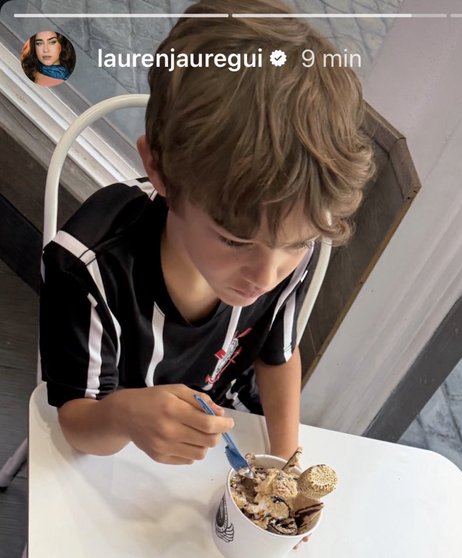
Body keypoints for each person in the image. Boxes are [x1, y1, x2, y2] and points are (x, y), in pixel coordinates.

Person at [40, 0, 374, 466]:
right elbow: (77, 423)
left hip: (223, 441)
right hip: (112, 444)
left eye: (296, 243)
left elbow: (278, 354)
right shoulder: (88, 266)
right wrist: (125, 416)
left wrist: (286, 461)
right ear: (158, 168)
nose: (266, 274)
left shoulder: (292, 240)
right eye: (235, 240)